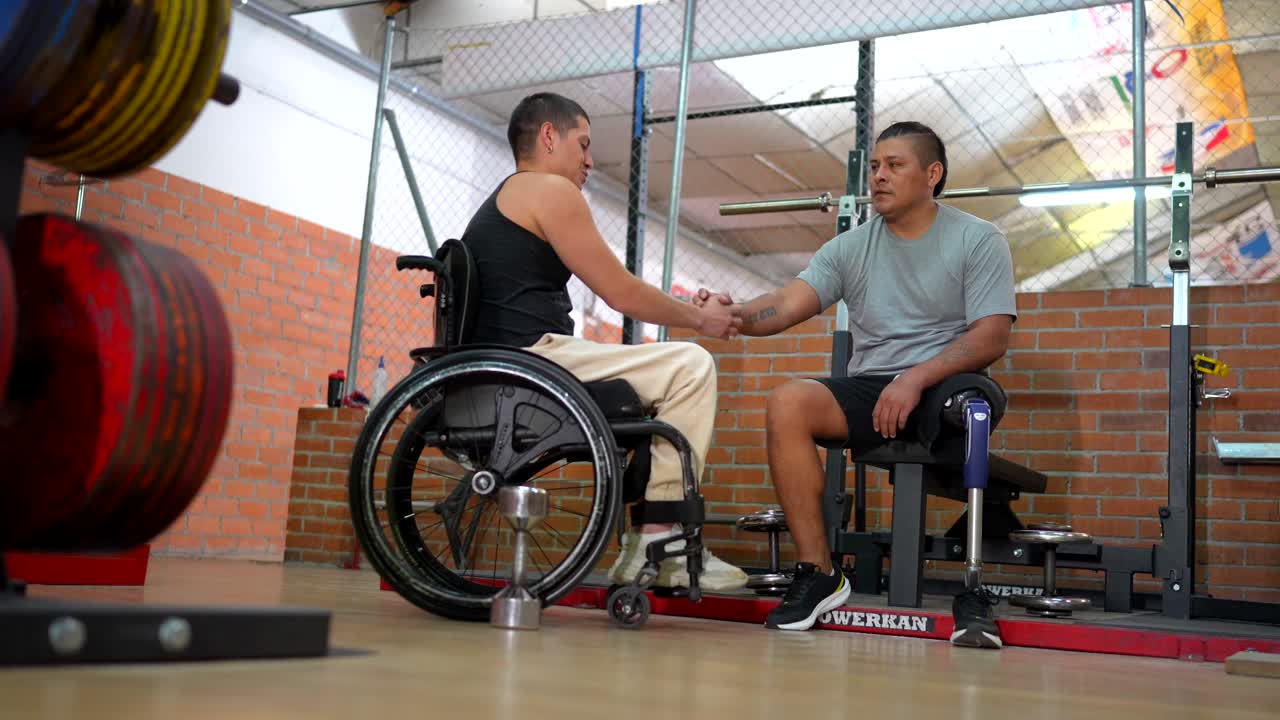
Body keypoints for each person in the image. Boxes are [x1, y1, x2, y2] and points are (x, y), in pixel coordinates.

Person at [695, 121, 1017, 645]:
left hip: (948, 383)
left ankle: (974, 586)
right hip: (875, 388)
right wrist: (731, 314)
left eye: (895, 165)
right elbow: (785, 304)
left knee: (972, 404)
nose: (879, 176)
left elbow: (992, 335)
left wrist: (915, 378)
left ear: (932, 174)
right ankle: (819, 572)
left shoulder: (977, 238)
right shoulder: (849, 248)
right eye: (875, 166)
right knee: (788, 401)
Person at [458, 92, 748, 592]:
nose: (590, 160)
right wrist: (701, 319)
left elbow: (624, 284)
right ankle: (659, 542)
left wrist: (687, 305)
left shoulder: (511, 196)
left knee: (662, 381)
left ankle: (651, 539)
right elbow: (621, 293)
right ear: (549, 136)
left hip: (509, 364)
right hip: (531, 361)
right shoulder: (549, 190)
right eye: (584, 143)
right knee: (691, 366)